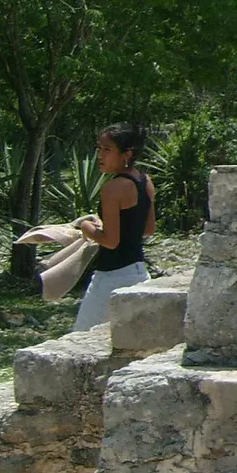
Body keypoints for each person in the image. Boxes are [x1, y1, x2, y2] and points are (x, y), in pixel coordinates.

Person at [74, 123, 154, 330]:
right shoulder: (145, 181)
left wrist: (85, 226)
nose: (100, 155)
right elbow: (148, 229)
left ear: (126, 154)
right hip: (139, 272)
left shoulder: (112, 188)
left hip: (111, 277)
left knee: (82, 338)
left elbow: (110, 241)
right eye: (99, 148)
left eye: (107, 149)